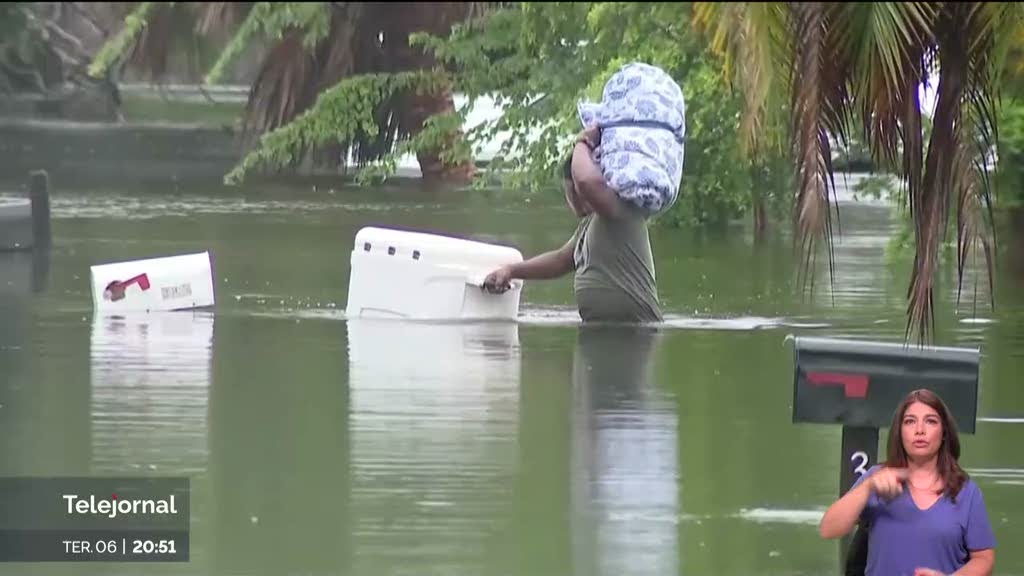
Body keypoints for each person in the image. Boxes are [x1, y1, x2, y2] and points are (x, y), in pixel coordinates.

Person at [482, 126, 663, 324]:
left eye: (576, 190)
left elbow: (586, 181)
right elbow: (560, 261)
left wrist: (583, 142)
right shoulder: (590, 225)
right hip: (599, 330)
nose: (574, 199)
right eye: (570, 192)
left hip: (636, 332)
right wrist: (510, 271)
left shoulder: (619, 210)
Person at [819, 389, 997, 576]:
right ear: (900, 432)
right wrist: (867, 487)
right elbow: (829, 529)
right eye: (910, 421)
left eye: (930, 421)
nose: (920, 430)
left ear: (944, 432)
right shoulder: (877, 479)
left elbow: (984, 558)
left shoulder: (966, 491)